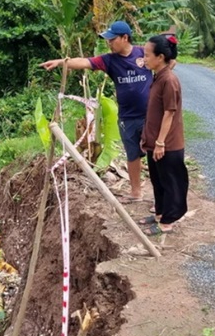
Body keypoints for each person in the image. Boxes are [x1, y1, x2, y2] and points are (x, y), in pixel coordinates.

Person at [39, 21, 175, 203]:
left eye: (112, 39)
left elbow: (168, 61)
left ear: (125, 38)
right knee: (133, 155)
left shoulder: (145, 53)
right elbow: (84, 62)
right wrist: (61, 62)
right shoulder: (109, 60)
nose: (109, 43)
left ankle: (163, 200)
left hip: (150, 116)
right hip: (127, 117)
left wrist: (159, 81)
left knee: (155, 156)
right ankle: (136, 192)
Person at [138, 34, 188, 235]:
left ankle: (168, 221)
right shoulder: (159, 75)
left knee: (170, 182)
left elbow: (169, 113)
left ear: (160, 57)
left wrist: (160, 142)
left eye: (148, 55)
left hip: (168, 143)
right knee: (157, 180)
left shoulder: (169, 80)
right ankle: (160, 213)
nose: (145, 59)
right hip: (155, 141)